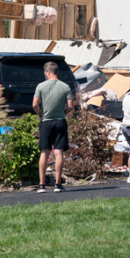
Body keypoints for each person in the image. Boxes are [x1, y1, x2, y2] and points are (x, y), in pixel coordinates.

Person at [32, 61, 75, 193]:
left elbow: (35, 104)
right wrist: (63, 113)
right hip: (60, 121)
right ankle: (58, 184)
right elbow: (71, 106)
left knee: (44, 151)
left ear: (48, 72)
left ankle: (41, 185)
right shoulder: (65, 86)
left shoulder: (41, 86)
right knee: (58, 152)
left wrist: (40, 114)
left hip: (46, 121)